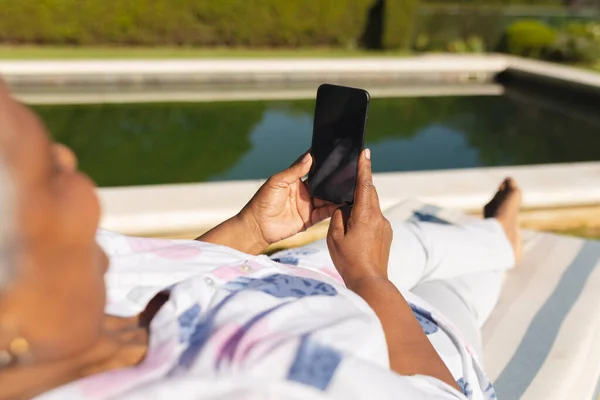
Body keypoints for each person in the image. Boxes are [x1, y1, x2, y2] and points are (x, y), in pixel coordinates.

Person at [0, 83, 521, 400]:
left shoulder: (53, 310)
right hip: (409, 340)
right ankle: (501, 240)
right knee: (461, 285)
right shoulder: (256, 384)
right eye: (49, 174)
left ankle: (494, 234)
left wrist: (249, 232)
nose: (72, 164)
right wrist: (370, 277)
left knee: (413, 240)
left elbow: (152, 278)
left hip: (282, 275)